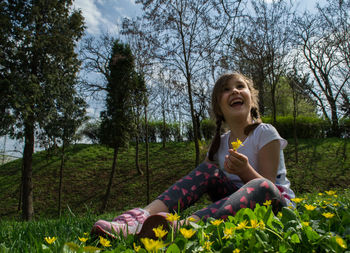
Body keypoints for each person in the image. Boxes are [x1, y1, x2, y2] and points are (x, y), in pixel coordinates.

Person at [91, 72, 295, 239]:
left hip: (274, 205)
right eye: (226, 89)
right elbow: (200, 182)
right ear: (219, 108)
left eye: (240, 86)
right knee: (208, 170)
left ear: (251, 99)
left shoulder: (265, 133)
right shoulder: (220, 144)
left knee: (262, 187)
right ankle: (138, 219)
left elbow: (269, 186)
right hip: (233, 204)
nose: (234, 90)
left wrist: (244, 171)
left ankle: (178, 228)